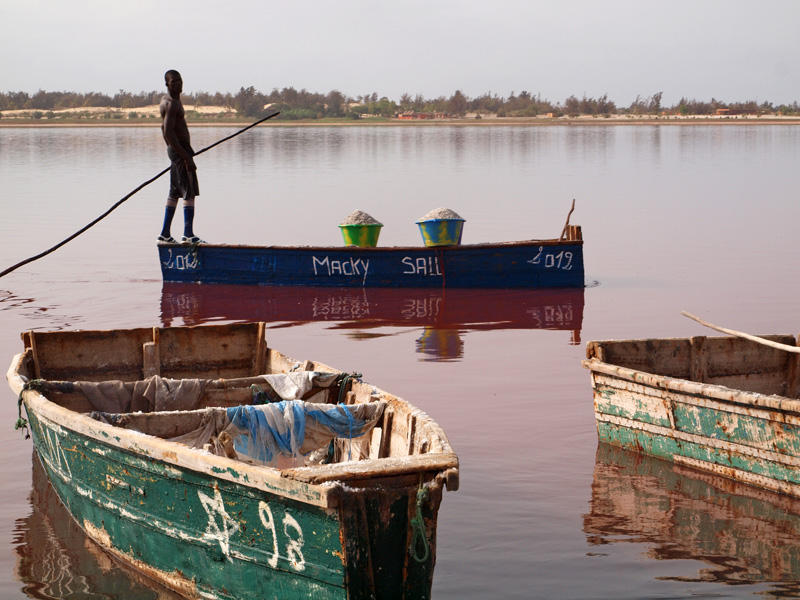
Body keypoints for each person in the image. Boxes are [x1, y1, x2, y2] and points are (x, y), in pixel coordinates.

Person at [158, 69, 204, 244]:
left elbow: (163, 129)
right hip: (180, 153)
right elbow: (168, 132)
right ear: (167, 84)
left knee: (174, 192)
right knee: (188, 192)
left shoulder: (171, 101)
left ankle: (165, 234)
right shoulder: (171, 103)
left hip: (177, 152)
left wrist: (172, 152)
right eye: (174, 82)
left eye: (180, 80)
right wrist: (186, 157)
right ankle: (188, 234)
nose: (178, 84)